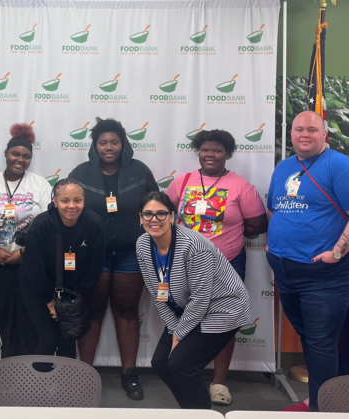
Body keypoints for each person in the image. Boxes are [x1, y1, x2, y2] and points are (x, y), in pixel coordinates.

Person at [166, 129, 267, 404]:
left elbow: (258, 225)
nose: (210, 154)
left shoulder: (240, 186)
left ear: (228, 154)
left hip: (228, 264)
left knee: (224, 321)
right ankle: (186, 370)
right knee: (187, 315)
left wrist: (224, 237)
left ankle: (219, 381)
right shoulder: (183, 181)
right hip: (185, 264)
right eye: (205, 149)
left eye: (217, 150)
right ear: (198, 152)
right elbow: (165, 214)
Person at [69, 117, 158, 400]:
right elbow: (68, 212)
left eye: (114, 142)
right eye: (103, 142)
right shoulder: (81, 174)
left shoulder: (140, 172)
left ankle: (129, 374)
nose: (109, 147)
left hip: (131, 254)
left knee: (128, 312)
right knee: (91, 313)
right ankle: (83, 376)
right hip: (92, 255)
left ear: (123, 144)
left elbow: (156, 208)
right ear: (95, 146)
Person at [266, 110, 349, 412]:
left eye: (312, 130)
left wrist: (336, 252)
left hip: (324, 274)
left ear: (325, 134)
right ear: (291, 134)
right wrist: (274, 246)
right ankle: (324, 398)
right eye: (298, 129)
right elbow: (274, 208)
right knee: (310, 338)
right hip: (286, 270)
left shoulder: (339, 166)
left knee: (322, 343)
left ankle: (322, 410)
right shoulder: (284, 167)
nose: (304, 134)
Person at [136, 191, 250, 409]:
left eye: (161, 214)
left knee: (181, 364)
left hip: (223, 308)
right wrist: (174, 328)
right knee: (161, 363)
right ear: (140, 218)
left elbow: (201, 297)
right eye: (147, 214)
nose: (154, 220)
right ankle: (192, 411)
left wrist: (179, 335)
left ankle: (201, 414)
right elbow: (157, 293)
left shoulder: (194, 245)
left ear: (172, 216)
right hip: (187, 309)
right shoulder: (142, 244)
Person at [18, 178, 104, 358]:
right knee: (48, 340)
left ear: (84, 201)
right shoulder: (41, 225)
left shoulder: (94, 224)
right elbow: (34, 268)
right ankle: (37, 384)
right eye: (65, 201)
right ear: (55, 202)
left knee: (68, 339)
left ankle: (65, 385)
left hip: (73, 292)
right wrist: (50, 302)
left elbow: (93, 268)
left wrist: (73, 301)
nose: (72, 206)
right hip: (38, 290)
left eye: (77, 200)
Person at [0, 123, 51, 358]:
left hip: (29, 262)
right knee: (3, 313)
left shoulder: (40, 185)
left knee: (29, 314)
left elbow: (46, 225)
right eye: (15, 154)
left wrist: (24, 253)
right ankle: (7, 364)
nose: (20, 160)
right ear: (6, 154)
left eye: (26, 156)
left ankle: (30, 367)